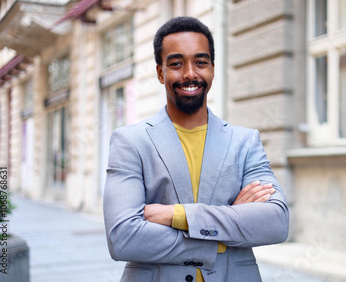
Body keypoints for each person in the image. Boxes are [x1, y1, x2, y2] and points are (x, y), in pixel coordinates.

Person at [103, 16, 289, 282]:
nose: (190, 73)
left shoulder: (245, 142)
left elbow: (275, 223)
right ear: (160, 72)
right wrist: (224, 232)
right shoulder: (130, 141)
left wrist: (176, 215)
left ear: (212, 68)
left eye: (200, 62)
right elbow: (123, 238)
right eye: (177, 64)